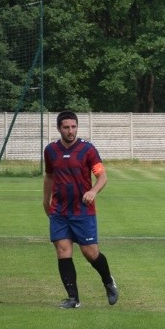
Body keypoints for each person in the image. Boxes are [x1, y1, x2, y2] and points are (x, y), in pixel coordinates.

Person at [43, 111, 118, 309]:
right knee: (63, 250)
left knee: (90, 252)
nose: (70, 131)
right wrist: (45, 200)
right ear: (59, 128)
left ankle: (108, 281)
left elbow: (102, 177)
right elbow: (49, 177)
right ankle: (73, 299)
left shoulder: (88, 150)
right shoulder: (50, 151)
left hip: (82, 210)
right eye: (66, 127)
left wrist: (93, 191)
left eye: (73, 127)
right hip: (59, 210)